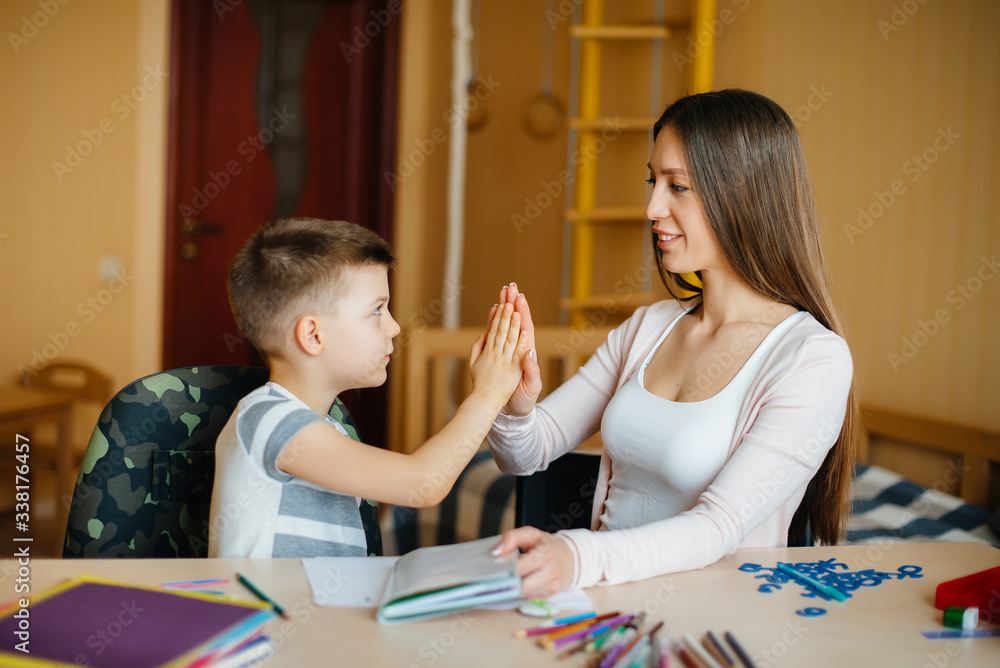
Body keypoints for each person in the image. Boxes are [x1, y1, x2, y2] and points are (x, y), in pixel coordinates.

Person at [487, 89, 859, 598]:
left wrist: (576, 553)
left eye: (677, 186)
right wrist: (513, 404)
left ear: (743, 194)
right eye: (652, 180)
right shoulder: (649, 327)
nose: (651, 207)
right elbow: (525, 455)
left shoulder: (812, 359)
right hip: (605, 600)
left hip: (714, 623)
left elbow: (718, 526)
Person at [209, 217, 527, 558]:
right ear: (313, 335)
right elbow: (422, 484)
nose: (393, 326)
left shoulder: (327, 426)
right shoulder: (271, 420)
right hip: (265, 611)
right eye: (377, 310)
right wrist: (488, 395)